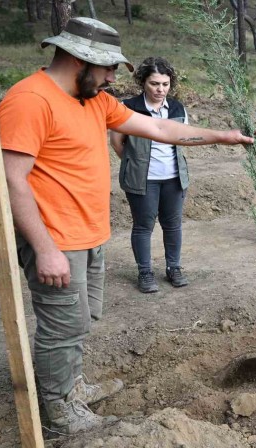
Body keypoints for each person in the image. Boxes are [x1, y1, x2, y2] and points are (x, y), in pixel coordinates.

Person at [0, 18, 253, 435]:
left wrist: (220, 136)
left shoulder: (94, 99)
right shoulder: (30, 100)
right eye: (109, 68)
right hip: (56, 239)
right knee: (61, 327)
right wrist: (44, 249)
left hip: (88, 234)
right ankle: (59, 414)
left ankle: (72, 385)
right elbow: (12, 179)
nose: (115, 77)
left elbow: (156, 127)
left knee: (79, 322)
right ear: (79, 59)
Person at [109, 57, 195, 294]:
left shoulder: (177, 108)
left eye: (165, 84)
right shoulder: (128, 107)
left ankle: (173, 268)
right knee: (143, 225)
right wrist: (134, 163)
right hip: (142, 179)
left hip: (174, 178)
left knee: (173, 224)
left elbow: (182, 139)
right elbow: (117, 143)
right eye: (155, 84)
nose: (160, 89)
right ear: (143, 82)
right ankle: (145, 272)